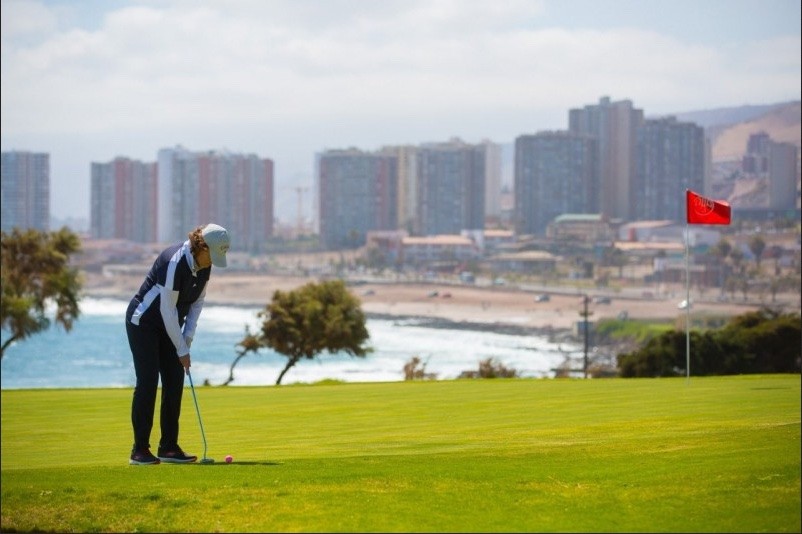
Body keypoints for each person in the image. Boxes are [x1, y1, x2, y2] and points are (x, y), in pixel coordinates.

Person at [125, 223, 230, 465]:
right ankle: (139, 450)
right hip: (144, 323)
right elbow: (167, 309)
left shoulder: (205, 266)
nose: (212, 262)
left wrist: (187, 342)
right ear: (202, 247)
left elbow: (196, 305)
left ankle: (169, 447)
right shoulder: (174, 261)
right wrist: (180, 348)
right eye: (212, 256)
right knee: (148, 381)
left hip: (169, 325)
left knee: (174, 380)